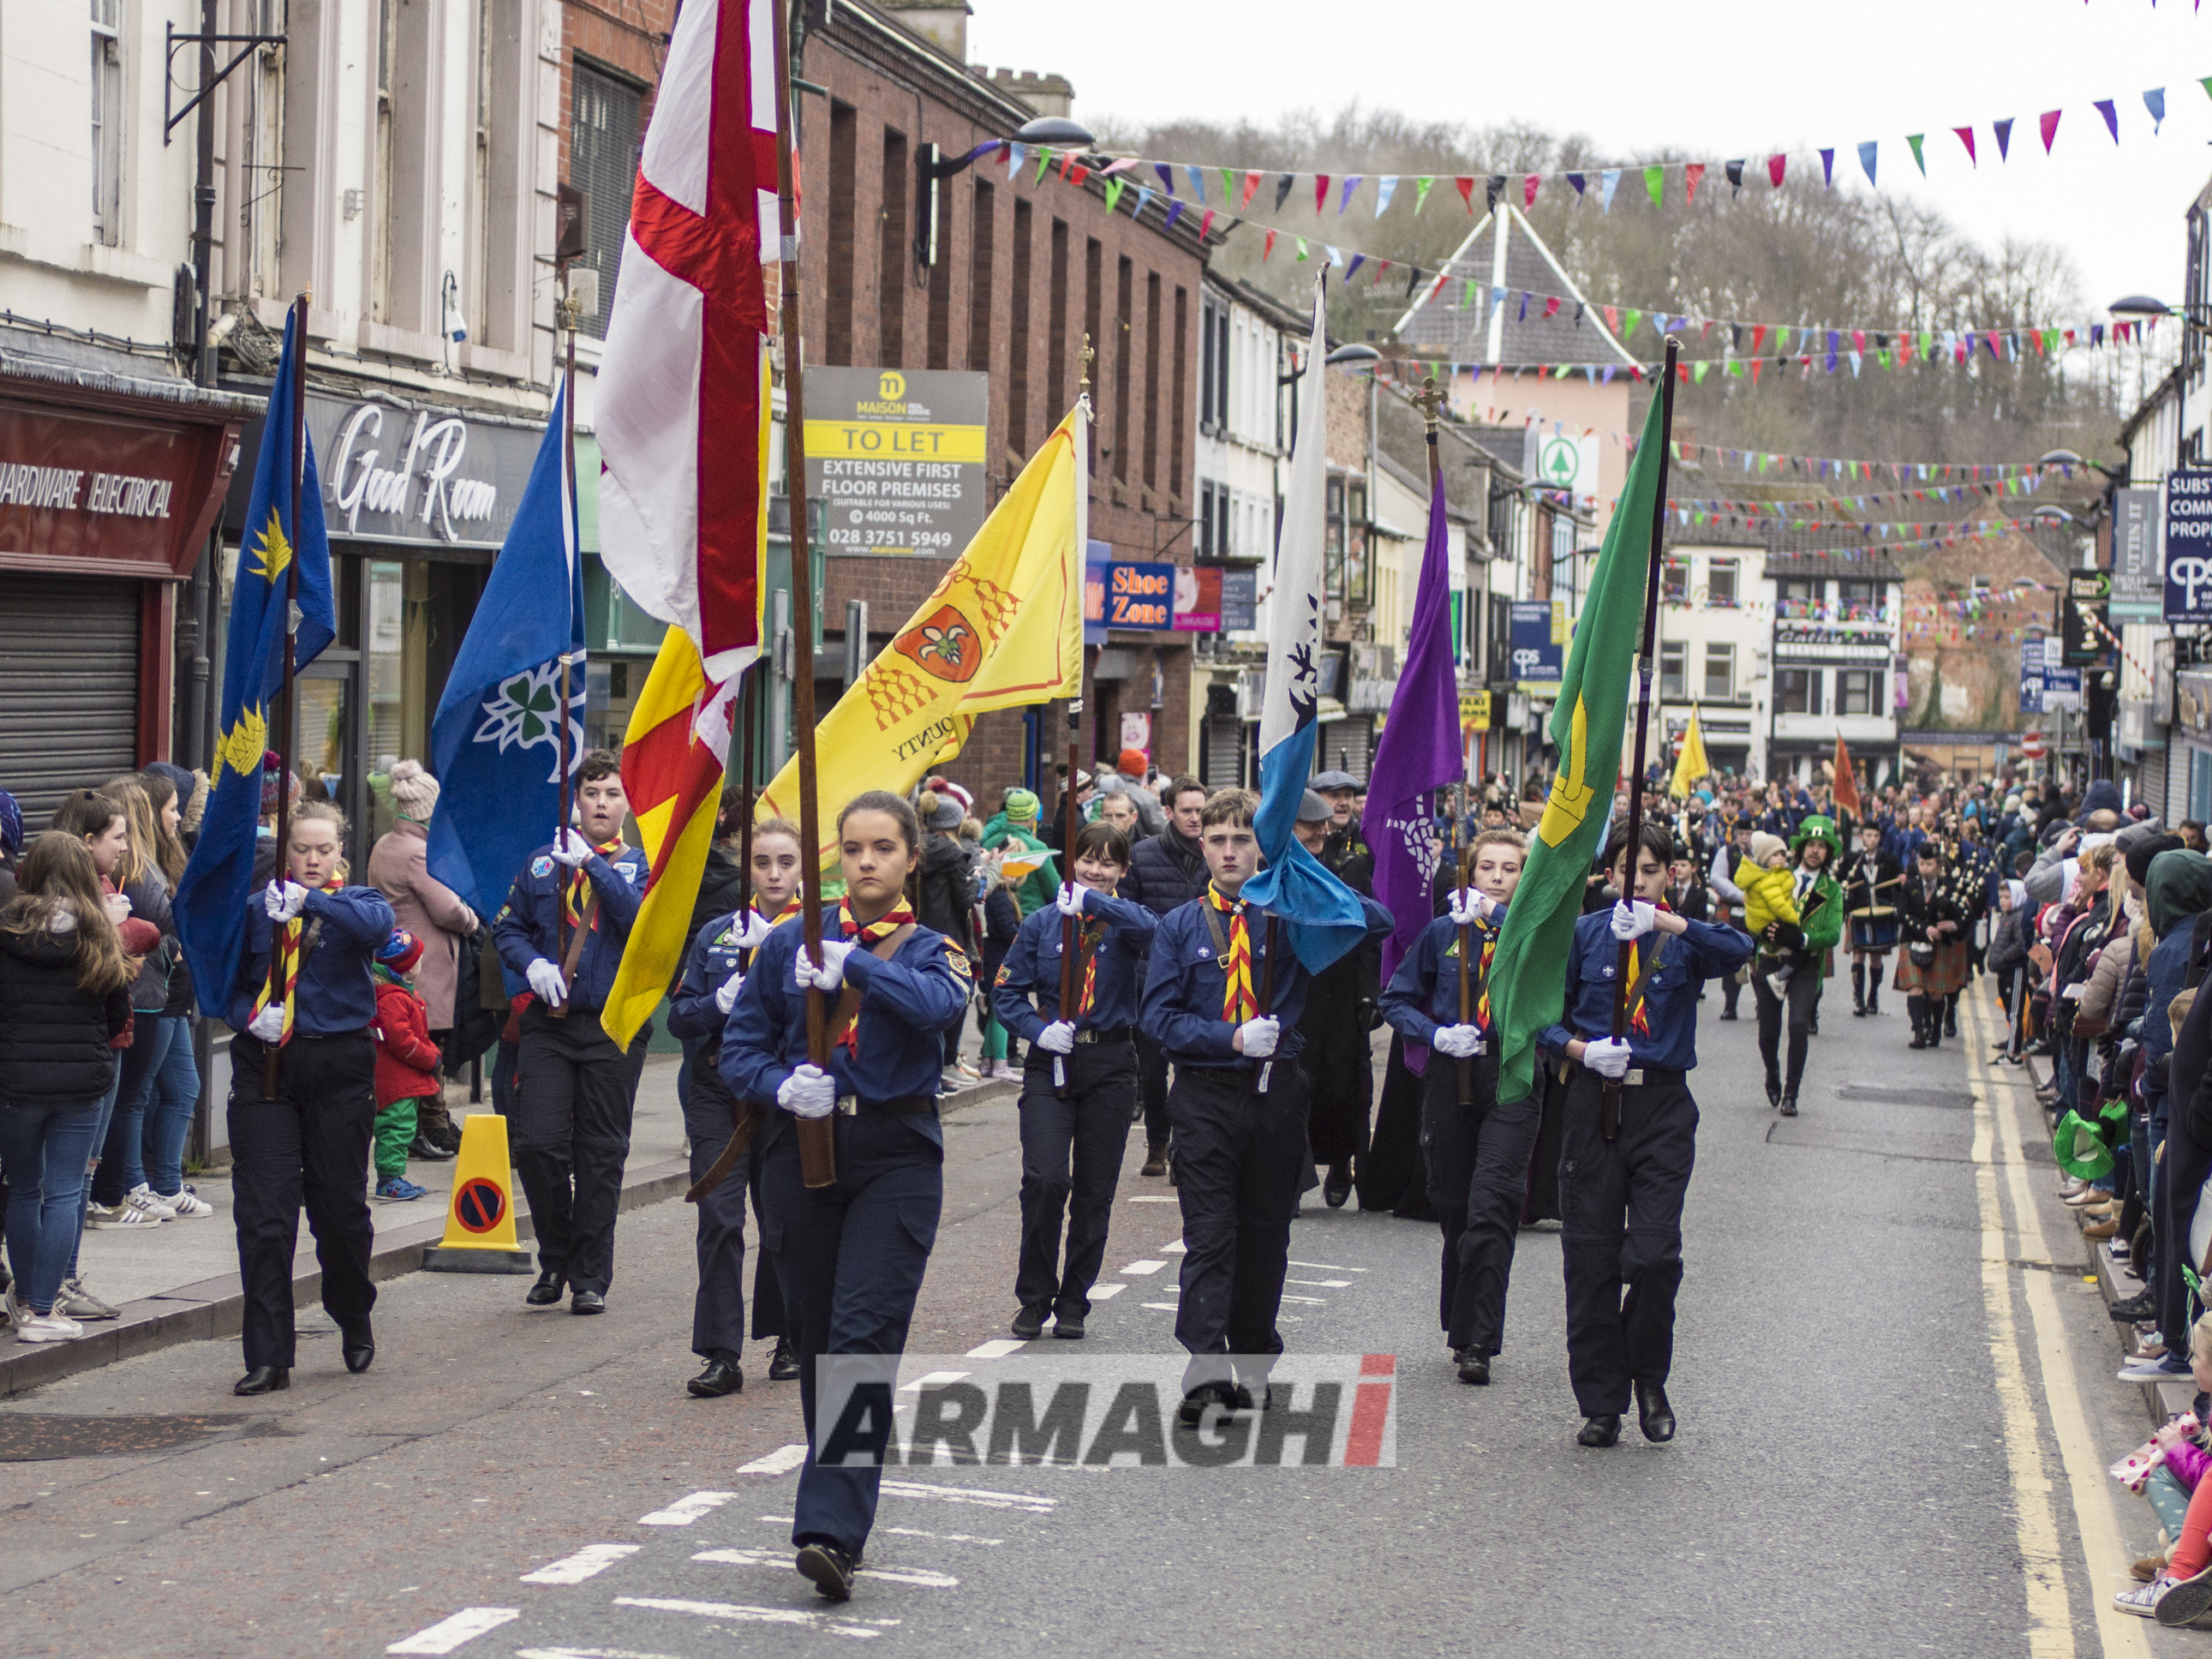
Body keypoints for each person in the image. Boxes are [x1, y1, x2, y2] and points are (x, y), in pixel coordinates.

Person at [720, 789, 971, 1602]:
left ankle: (830, 1529)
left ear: (910, 858)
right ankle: (840, 1500)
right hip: (801, 1152)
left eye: (883, 849)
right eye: (853, 848)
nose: (866, 862)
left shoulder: (934, 947)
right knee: (824, 1344)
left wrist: (856, 965)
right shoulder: (788, 941)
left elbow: (938, 1012)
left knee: (864, 1342)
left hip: (895, 1157)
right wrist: (780, 1085)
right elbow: (741, 1046)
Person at [1138, 788, 1389, 1422]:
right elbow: (1158, 1018)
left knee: (1265, 1238)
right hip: (1204, 1097)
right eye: (1218, 839)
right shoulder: (1181, 924)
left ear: (1262, 847)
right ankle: (1204, 1372)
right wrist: (1228, 1037)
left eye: (1243, 840)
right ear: (1202, 844)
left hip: (1277, 1096)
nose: (1228, 851)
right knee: (1210, 1238)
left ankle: (1253, 1364)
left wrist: (1299, 873)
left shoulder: (1289, 914)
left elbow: (1377, 923)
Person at [1540, 819, 1752, 1447]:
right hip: (1592, 1103)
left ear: (1671, 876)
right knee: (1591, 1258)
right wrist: (1580, 1049)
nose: (1638, 878)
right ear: (1608, 875)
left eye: (1652, 869)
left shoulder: (1681, 939)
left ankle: (1648, 1377)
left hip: (1660, 1107)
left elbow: (1740, 952)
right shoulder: (1583, 935)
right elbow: (1539, 1019)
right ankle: (1601, 1402)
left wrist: (1670, 923)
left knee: (1655, 1256)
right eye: (1627, 867)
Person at [225, 800, 394, 1393]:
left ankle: (352, 1311)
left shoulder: (359, 903)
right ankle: (269, 1354)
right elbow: (219, 980)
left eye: (325, 849)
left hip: (339, 1065)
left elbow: (378, 931)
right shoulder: (255, 911)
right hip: (267, 1067)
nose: (313, 859)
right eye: (302, 849)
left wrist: (312, 903)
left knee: (339, 1212)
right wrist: (250, 1017)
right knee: (266, 1216)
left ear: (341, 851)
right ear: (284, 852)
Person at [491, 751, 650, 1315]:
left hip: (613, 1026)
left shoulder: (641, 866)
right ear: (575, 802)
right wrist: (529, 962)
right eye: (591, 794)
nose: (601, 804)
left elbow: (639, 923)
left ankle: (589, 1277)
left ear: (627, 802)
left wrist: (595, 867)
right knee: (536, 1143)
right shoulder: (541, 866)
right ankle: (555, 1254)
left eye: (611, 794)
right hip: (549, 1025)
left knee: (600, 1154)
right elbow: (506, 929)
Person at [991, 821, 1157, 1339]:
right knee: (1044, 1179)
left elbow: (1153, 930)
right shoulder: (1041, 924)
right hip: (1051, 1064)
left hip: (1109, 1063)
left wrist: (1093, 903)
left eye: (1108, 862)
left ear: (1122, 871)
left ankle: (1073, 1300)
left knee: (1093, 1191)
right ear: (1072, 861)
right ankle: (1034, 1296)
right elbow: (1006, 993)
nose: (1095, 868)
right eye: (1087, 859)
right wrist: (1038, 1032)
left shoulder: (1124, 920)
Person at [1379, 828, 1528, 1385]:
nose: (1495, 876)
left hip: (1509, 1074)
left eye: (1508, 869)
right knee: (1457, 1209)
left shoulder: (1529, 929)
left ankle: (1480, 1341)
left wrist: (1494, 914)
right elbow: (1396, 998)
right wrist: (1435, 1034)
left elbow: (1549, 972)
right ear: (1469, 872)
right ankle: (1460, 1323)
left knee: (1493, 1208)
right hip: (1451, 1071)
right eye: (1485, 867)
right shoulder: (1445, 932)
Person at [665, 815, 807, 1398]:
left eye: (785, 862)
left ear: (804, 868)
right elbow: (680, 1017)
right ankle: (722, 1353)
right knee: (720, 1219)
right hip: (716, 1089)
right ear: (746, 867)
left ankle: (790, 1337)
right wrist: (722, 999)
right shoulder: (719, 933)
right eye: (761, 862)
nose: (773, 874)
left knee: (784, 1222)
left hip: (783, 1096)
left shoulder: (820, 936)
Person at [0, 834, 138, 1343]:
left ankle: (24, 1303)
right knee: (63, 1193)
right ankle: (42, 1308)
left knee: (23, 1190)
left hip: (15, 1084)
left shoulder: (5, 931)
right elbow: (117, 1015)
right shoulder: (100, 937)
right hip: (82, 1085)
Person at [367, 759, 481, 1158]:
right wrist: (472, 920)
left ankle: (432, 1122)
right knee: (426, 1047)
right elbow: (447, 908)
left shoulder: (385, 844)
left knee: (419, 1045)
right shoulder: (418, 853)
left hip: (396, 961)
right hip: (423, 966)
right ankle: (427, 1126)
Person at [1127, 776, 1211, 1177]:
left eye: (1200, 810)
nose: (1195, 818)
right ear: (1168, 812)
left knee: (1192, 1068)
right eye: (1187, 811)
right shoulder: (1143, 855)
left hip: (1202, 977)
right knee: (1154, 1070)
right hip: (1152, 979)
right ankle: (1158, 1141)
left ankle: (1183, 1150)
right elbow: (1127, 915)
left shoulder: (1216, 852)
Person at [1305, 782, 1380, 1209]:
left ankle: (1341, 1161)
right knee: (1298, 1082)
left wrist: (1370, 995)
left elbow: (1370, 933)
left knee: (1341, 1084)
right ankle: (1296, 1171)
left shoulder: (1351, 864)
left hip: (1342, 986)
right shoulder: (1283, 865)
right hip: (1300, 987)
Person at [1750, 816, 1844, 1117]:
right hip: (1770, 959)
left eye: (1822, 847)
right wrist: (1763, 933)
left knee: (1798, 1025)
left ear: (1828, 853)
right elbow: (1756, 909)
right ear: (1801, 847)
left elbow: (1833, 934)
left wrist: (1802, 937)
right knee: (1768, 1032)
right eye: (1811, 845)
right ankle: (1772, 1072)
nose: (1816, 851)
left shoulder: (1832, 890)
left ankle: (1791, 1093)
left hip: (1805, 964)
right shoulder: (1780, 875)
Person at [368, 929, 438, 1203]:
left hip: (399, 1075)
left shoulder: (397, 992)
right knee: (396, 1126)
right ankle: (389, 1179)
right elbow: (403, 1041)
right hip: (397, 1078)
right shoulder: (393, 997)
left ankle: (392, 1176)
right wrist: (430, 1057)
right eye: (418, 958)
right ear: (408, 967)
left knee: (398, 1125)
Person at [1895, 845, 1965, 1051]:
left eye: (1929, 864)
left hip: (1939, 945)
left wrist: (1952, 924)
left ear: (1939, 865)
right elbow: (1903, 914)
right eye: (1922, 864)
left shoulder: (1949, 886)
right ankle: (1918, 1033)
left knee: (1936, 992)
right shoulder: (1911, 885)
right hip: (1912, 939)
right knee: (1915, 987)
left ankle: (1934, 1030)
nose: (1924, 869)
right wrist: (1925, 928)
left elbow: (1962, 914)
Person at [1840, 821, 1901, 1017]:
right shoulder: (1853, 859)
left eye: (1875, 836)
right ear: (1862, 837)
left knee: (1876, 957)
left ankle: (1873, 996)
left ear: (1879, 838)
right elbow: (1840, 881)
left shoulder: (1889, 860)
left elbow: (1900, 886)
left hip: (1881, 913)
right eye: (1868, 836)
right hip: (1859, 912)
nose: (1872, 840)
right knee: (1858, 955)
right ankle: (1858, 999)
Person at [1707, 819, 1751, 1020]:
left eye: (1749, 833)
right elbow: (1717, 878)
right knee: (1730, 955)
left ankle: (1763, 1004)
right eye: (1741, 833)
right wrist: (1740, 895)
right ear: (1735, 835)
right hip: (1732, 908)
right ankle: (1730, 1005)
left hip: (1756, 911)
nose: (1745, 838)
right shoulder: (1726, 852)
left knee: (1757, 957)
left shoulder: (1759, 853)